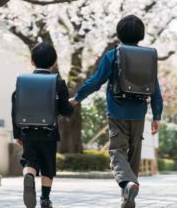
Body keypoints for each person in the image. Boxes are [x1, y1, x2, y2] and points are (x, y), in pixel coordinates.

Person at [69, 15, 163, 208]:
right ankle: (128, 193)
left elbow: (96, 81)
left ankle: (128, 185)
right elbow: (155, 89)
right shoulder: (149, 58)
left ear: (119, 34)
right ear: (141, 35)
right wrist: (157, 116)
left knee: (117, 152)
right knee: (133, 154)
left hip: (117, 111)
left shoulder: (113, 55)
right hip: (138, 113)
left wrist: (78, 97)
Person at [12, 42, 74, 208]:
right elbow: (65, 110)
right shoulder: (58, 83)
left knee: (29, 161)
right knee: (47, 165)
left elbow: (15, 107)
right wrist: (71, 105)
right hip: (49, 132)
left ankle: (29, 175)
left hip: (27, 130)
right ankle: (45, 199)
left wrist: (17, 133)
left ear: (32, 61)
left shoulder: (22, 81)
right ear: (54, 63)